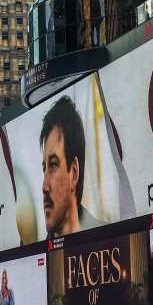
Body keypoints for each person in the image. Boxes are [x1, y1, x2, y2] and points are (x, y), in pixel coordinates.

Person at [38, 95, 101, 238]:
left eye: (53, 165)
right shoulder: (39, 255)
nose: (44, 186)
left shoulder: (109, 239)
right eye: (44, 169)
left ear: (74, 173)